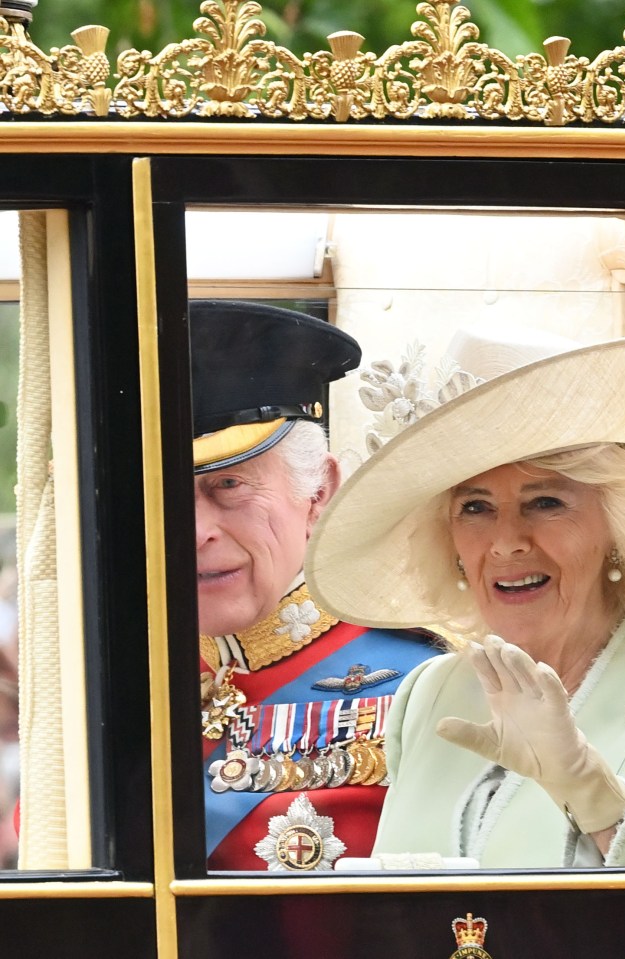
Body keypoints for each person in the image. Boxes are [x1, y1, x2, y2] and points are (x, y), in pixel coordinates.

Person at [305, 333, 625, 868]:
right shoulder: (428, 692)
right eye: (475, 507)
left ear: (617, 524)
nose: (506, 542)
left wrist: (590, 791)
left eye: (546, 502)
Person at [192, 299, 443, 872]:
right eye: (163, 498)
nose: (197, 531)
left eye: (229, 485)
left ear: (319, 492)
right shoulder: (117, 682)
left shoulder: (425, 679)